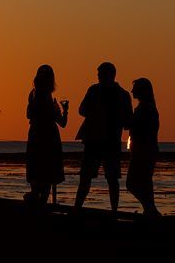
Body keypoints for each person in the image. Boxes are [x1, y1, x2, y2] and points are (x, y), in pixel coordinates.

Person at [74, 62, 133, 213]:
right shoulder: (94, 90)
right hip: (93, 140)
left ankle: (114, 211)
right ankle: (77, 208)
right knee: (86, 178)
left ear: (111, 75)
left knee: (111, 179)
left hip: (109, 142)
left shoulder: (122, 94)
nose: (99, 77)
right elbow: (82, 110)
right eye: (98, 74)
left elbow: (128, 120)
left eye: (101, 74)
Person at [25, 65, 68, 205]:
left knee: (36, 169)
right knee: (48, 171)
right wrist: (64, 110)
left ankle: (36, 198)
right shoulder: (46, 98)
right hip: (49, 136)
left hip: (36, 134)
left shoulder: (33, 95)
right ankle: (42, 201)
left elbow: (28, 115)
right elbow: (62, 123)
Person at [126, 78, 160, 216]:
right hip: (146, 149)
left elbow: (141, 129)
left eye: (135, 88)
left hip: (143, 150)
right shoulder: (147, 107)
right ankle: (150, 210)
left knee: (132, 183)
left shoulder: (146, 109)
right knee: (145, 183)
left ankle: (150, 208)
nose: (132, 91)